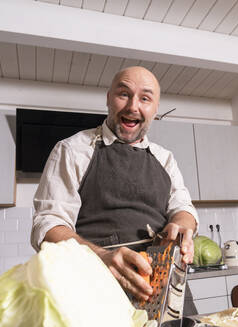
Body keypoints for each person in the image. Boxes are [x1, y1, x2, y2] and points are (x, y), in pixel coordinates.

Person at [31, 66, 198, 301]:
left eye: (145, 98)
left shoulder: (165, 158)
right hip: (95, 290)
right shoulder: (72, 149)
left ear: (155, 109)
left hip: (166, 288)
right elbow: (48, 225)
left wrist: (182, 225)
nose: (133, 106)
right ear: (109, 98)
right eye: (123, 94)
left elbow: (183, 208)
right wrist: (101, 257)